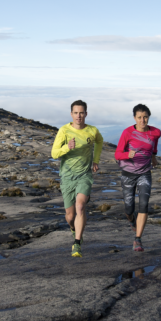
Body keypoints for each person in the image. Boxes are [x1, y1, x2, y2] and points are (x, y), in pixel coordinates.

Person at [51, 100, 103, 257]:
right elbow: (54, 154)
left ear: (86, 114)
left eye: (81, 113)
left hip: (84, 175)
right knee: (70, 216)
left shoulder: (92, 131)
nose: (78, 116)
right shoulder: (64, 131)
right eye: (76, 113)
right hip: (67, 177)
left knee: (80, 206)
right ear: (71, 114)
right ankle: (73, 228)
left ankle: (77, 244)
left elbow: (99, 142)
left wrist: (96, 160)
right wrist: (68, 147)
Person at [114, 104, 161, 252]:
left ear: (149, 117)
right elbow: (117, 154)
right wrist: (128, 155)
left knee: (144, 205)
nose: (143, 120)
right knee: (128, 209)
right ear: (134, 118)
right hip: (128, 174)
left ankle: (138, 240)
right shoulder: (127, 133)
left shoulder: (155, 132)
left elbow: (154, 146)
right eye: (139, 117)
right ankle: (132, 221)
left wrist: (153, 157)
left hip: (145, 173)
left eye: (145, 117)